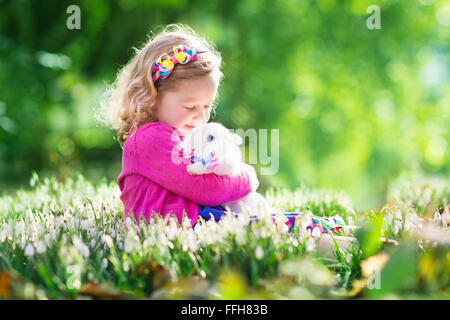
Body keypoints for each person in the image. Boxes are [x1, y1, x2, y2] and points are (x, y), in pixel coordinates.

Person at [99, 24, 357, 257]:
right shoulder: (149, 138)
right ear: (151, 96)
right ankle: (360, 250)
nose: (200, 116)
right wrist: (247, 177)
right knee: (279, 237)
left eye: (206, 106)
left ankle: (364, 237)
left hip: (198, 224)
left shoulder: (177, 137)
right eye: (190, 107)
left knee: (290, 224)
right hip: (180, 233)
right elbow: (205, 188)